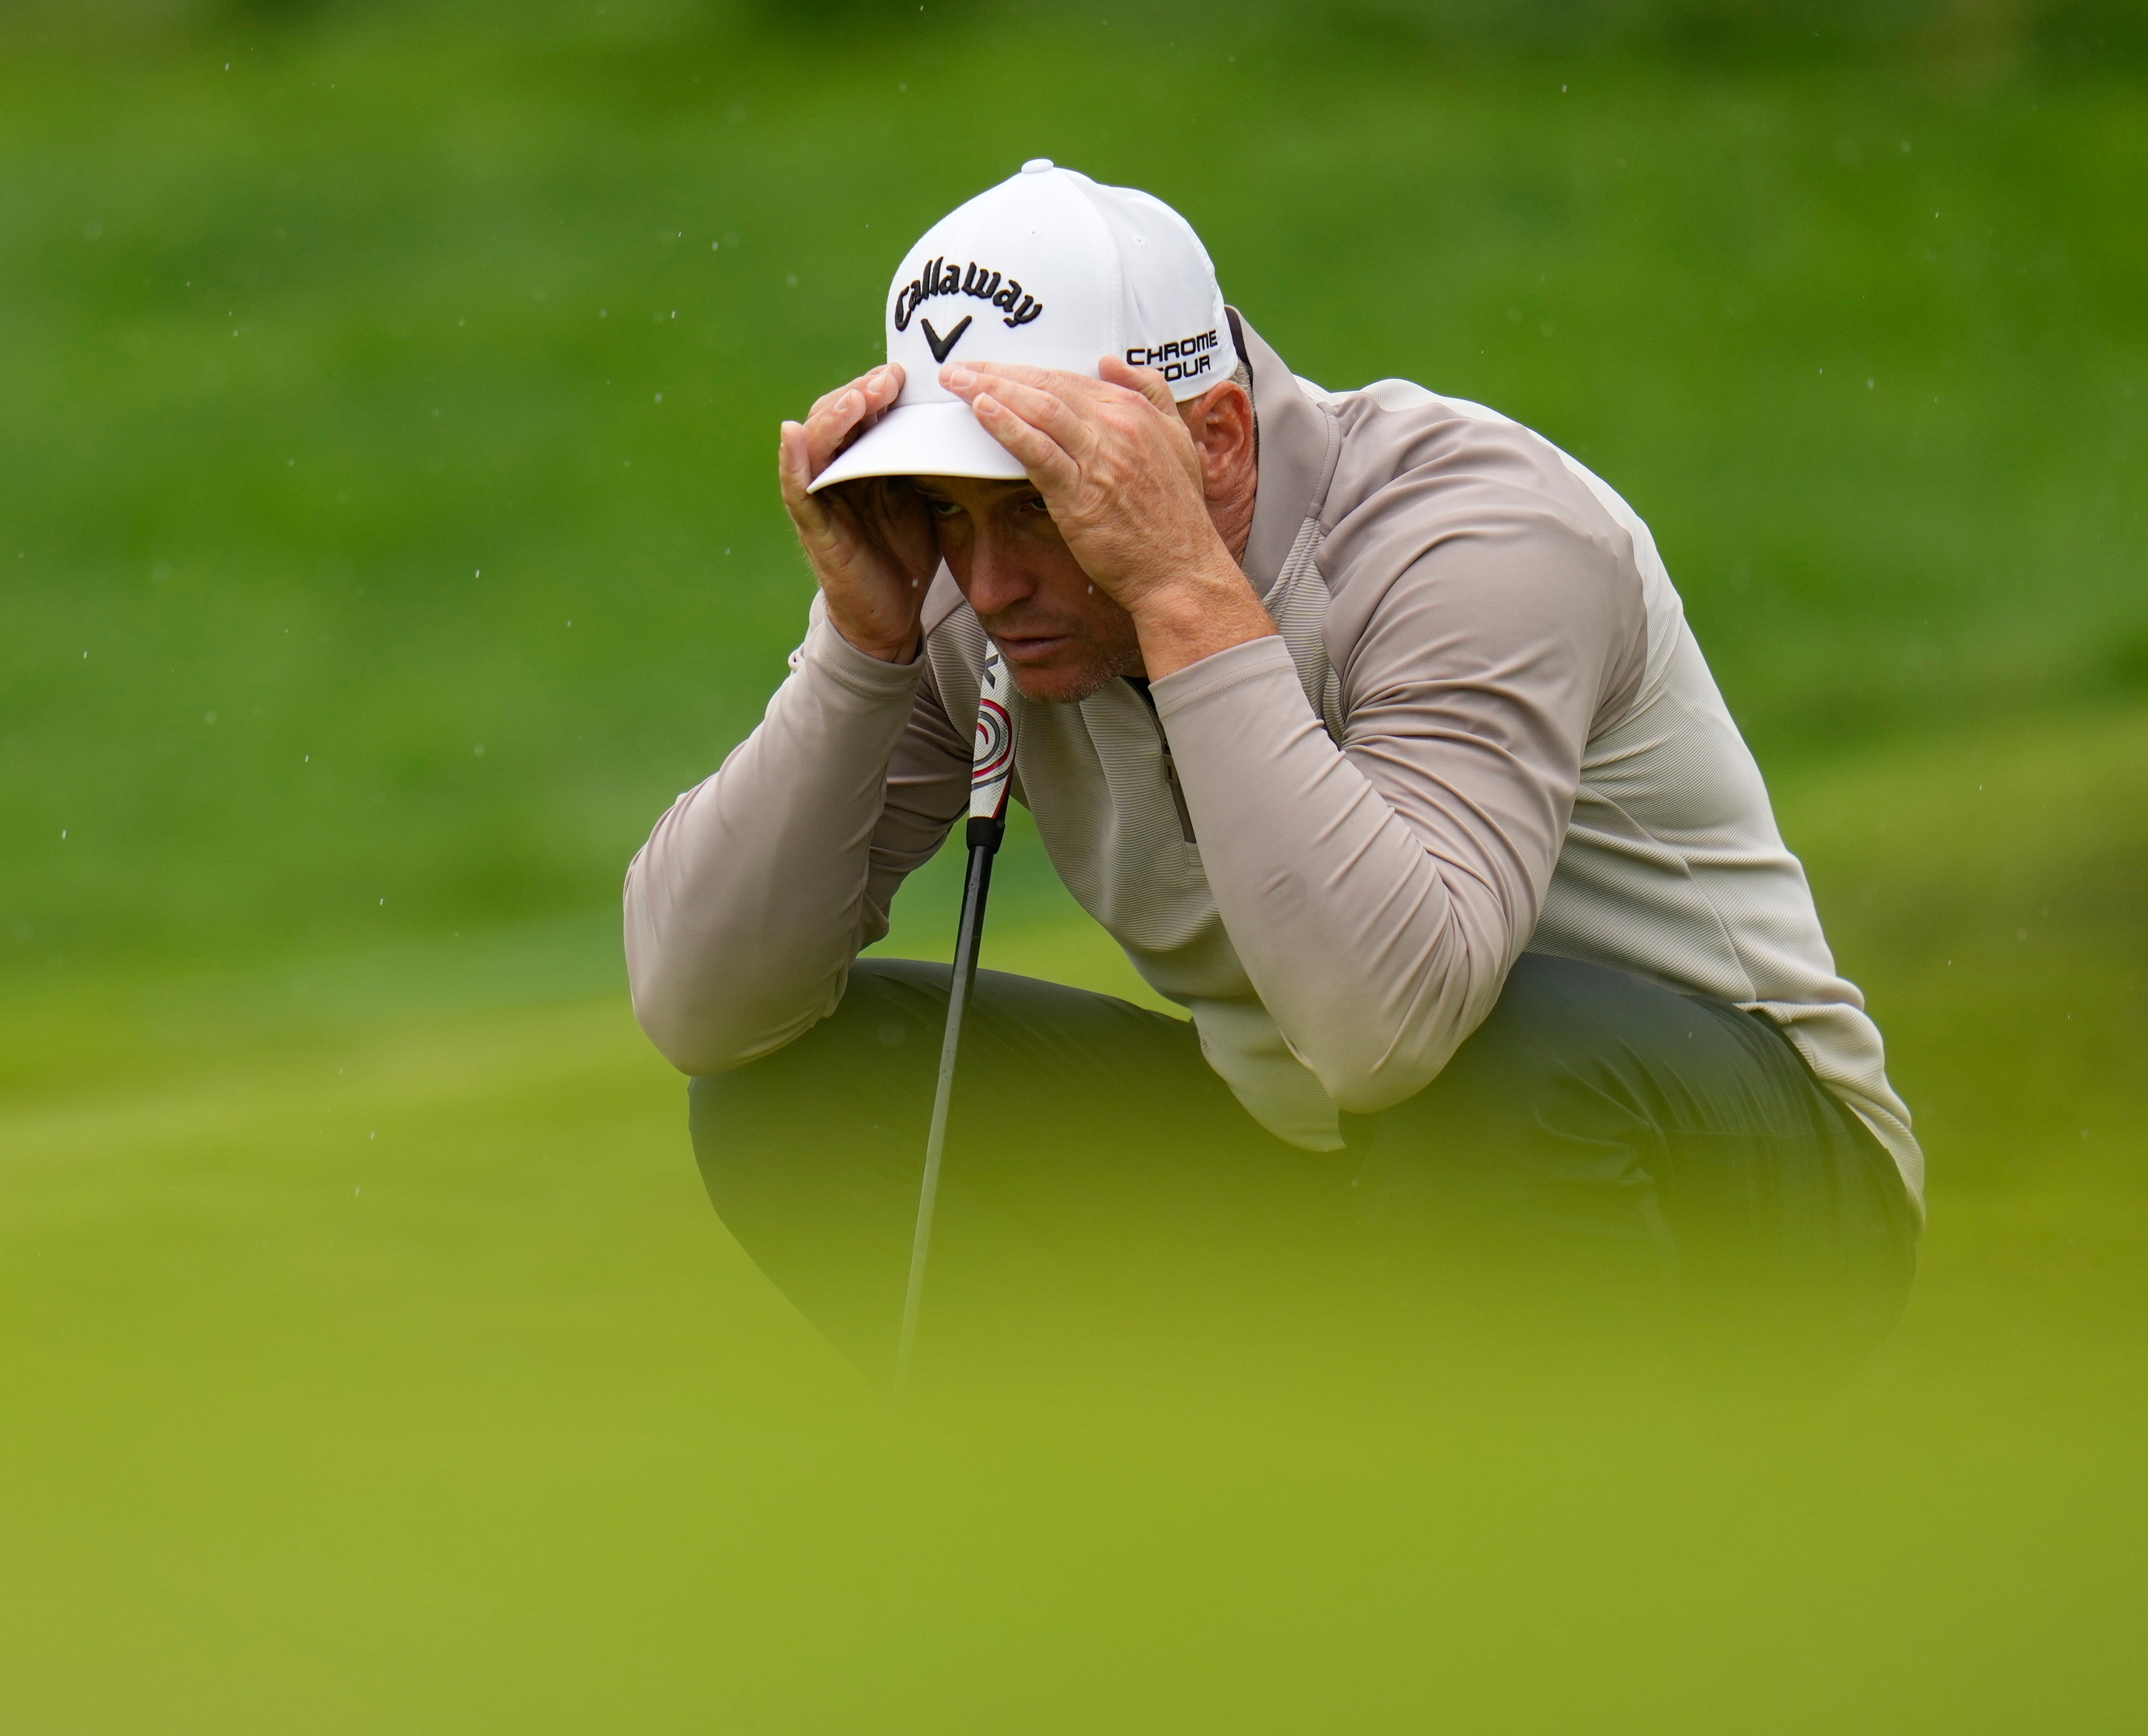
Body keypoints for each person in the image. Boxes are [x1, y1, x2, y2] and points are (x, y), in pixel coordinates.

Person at [622, 161, 1920, 1396]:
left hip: (1732, 1177)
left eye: (1038, 501)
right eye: (945, 508)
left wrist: (1182, 590)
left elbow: (1391, 1029)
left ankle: (1572, 1579)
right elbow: (702, 1007)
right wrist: (863, 647)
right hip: (1343, 1174)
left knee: (1499, 1065)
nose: (992, 578)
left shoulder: (1479, 535)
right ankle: (1159, 1565)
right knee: (794, 1100)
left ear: (1221, 439)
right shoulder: (973, 601)